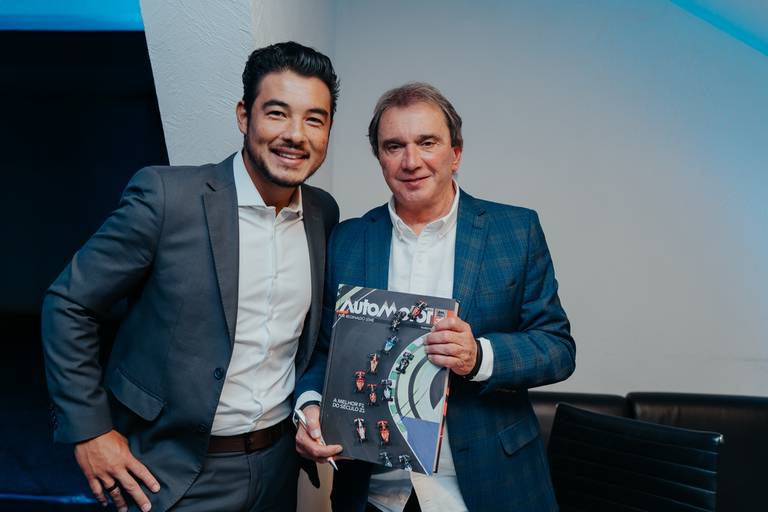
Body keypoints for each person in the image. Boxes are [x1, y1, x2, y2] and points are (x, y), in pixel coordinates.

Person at [41, 41, 339, 512]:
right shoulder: (166, 198)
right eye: (277, 113)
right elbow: (69, 304)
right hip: (171, 473)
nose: (295, 134)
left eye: (314, 120)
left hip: (278, 467)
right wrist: (90, 430)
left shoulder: (323, 213)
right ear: (244, 116)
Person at [295, 83, 575, 511]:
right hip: (374, 494)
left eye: (427, 143)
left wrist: (479, 356)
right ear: (380, 158)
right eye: (394, 146)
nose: (411, 161)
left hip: (489, 487)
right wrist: (311, 407)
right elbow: (323, 352)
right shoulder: (347, 240)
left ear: (455, 153)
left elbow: (557, 348)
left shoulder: (515, 231)